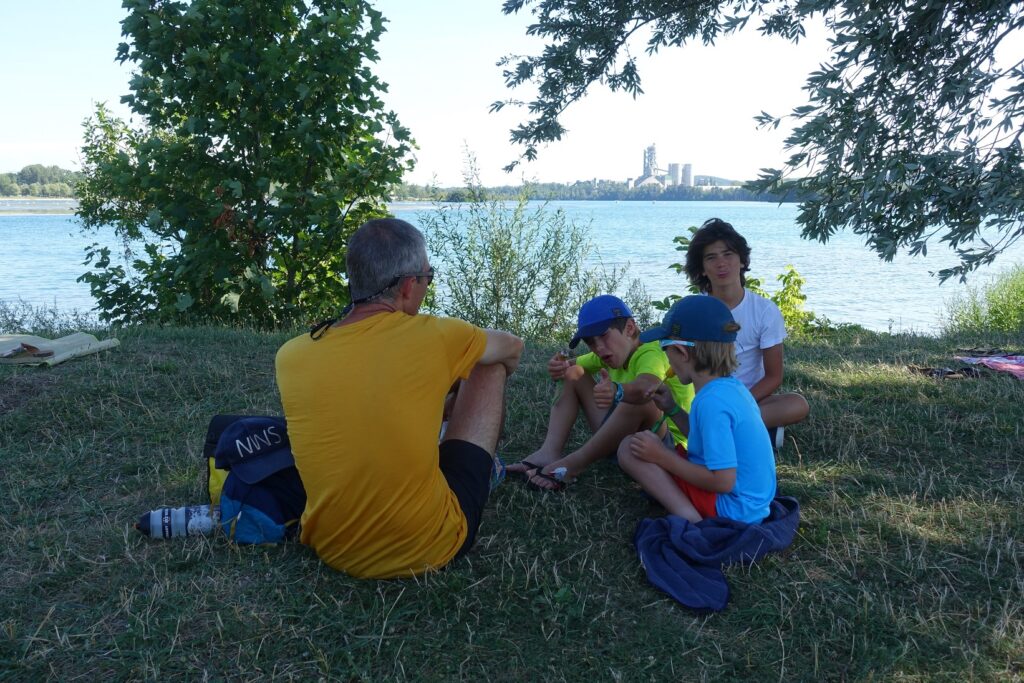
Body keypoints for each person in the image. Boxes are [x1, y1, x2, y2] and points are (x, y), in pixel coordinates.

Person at [275, 218, 523, 578]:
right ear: (408, 286)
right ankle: (486, 469)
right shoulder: (437, 336)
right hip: (427, 547)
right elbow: (513, 347)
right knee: (488, 365)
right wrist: (467, 387)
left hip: (332, 549)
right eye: (428, 278)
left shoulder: (290, 356)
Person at [507, 295, 694, 491]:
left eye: (604, 336)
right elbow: (572, 366)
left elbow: (647, 387)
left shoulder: (650, 352)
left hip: (665, 448)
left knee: (643, 400)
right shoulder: (610, 352)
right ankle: (549, 451)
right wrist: (559, 366)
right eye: (591, 342)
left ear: (630, 328)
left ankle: (573, 464)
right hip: (622, 440)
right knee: (573, 374)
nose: (599, 348)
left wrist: (618, 390)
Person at [618, 296, 776, 523]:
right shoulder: (731, 388)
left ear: (681, 353)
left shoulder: (711, 402)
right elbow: (705, 438)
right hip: (751, 506)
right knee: (647, 449)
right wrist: (672, 409)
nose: (667, 358)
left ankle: (693, 520)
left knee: (628, 448)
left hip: (731, 510)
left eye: (665, 349)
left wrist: (662, 456)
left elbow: (723, 481)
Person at [684, 218, 809, 447]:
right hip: (706, 400)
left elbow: (774, 376)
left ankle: (727, 429)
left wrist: (739, 404)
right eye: (711, 257)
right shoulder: (692, 311)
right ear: (701, 268)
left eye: (728, 254)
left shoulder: (765, 311)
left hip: (750, 399)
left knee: (798, 404)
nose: (721, 263)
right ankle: (750, 432)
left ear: (742, 260)